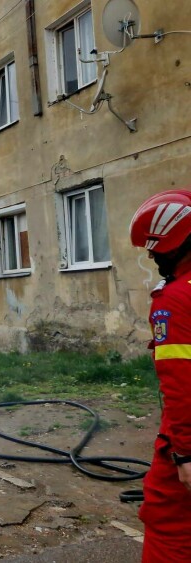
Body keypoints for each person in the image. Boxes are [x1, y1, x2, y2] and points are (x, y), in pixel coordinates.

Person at [129, 190, 191, 561]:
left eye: (157, 248)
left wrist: (184, 453)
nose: (152, 256)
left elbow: (182, 384)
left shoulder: (175, 299)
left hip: (185, 437)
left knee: (168, 524)